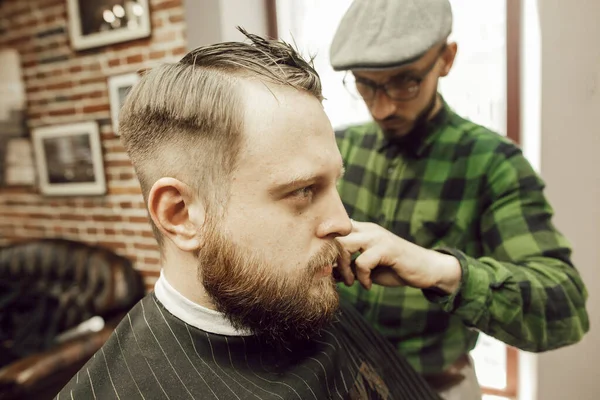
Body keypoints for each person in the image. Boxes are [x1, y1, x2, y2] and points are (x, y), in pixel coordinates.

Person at [55, 30, 442, 400]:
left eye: (333, 184)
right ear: (180, 214)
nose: (342, 222)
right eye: (303, 190)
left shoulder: (294, 297)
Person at [329, 0, 590, 398]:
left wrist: (438, 268)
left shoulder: (492, 164)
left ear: (446, 59)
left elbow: (564, 308)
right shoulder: (338, 149)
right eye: (365, 84)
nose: (382, 108)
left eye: (405, 82)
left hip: (436, 384)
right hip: (332, 378)